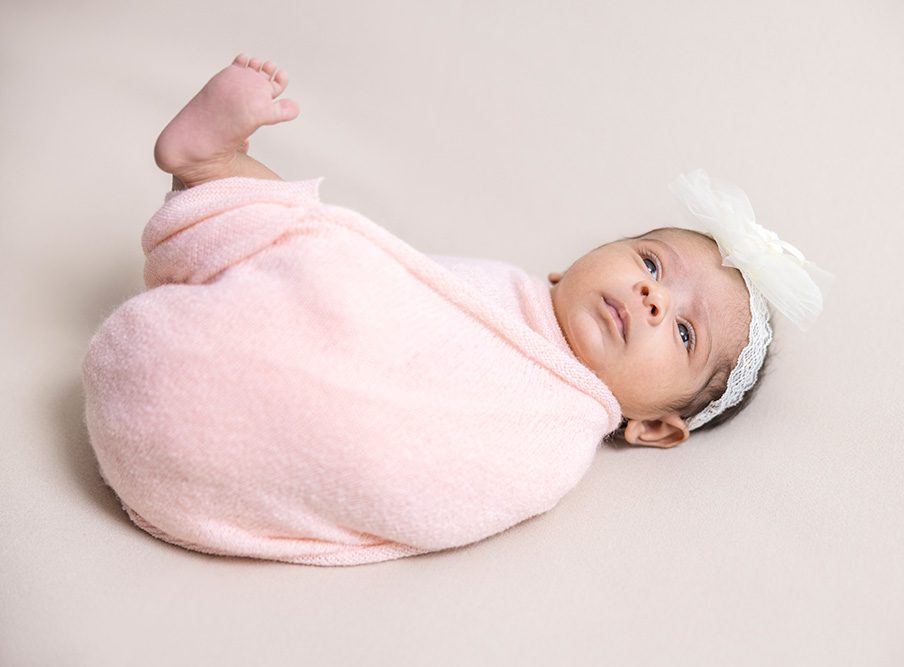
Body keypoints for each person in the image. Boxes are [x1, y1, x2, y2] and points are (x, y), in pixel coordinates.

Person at [83, 55, 826, 565]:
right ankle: (209, 166)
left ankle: (209, 184)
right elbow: (377, 289)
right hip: (261, 332)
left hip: (199, 441)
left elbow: (425, 478)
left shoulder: (552, 441)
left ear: (656, 426)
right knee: (315, 247)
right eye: (650, 262)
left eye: (685, 331)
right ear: (569, 267)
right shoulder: (499, 283)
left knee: (321, 279)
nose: (651, 296)